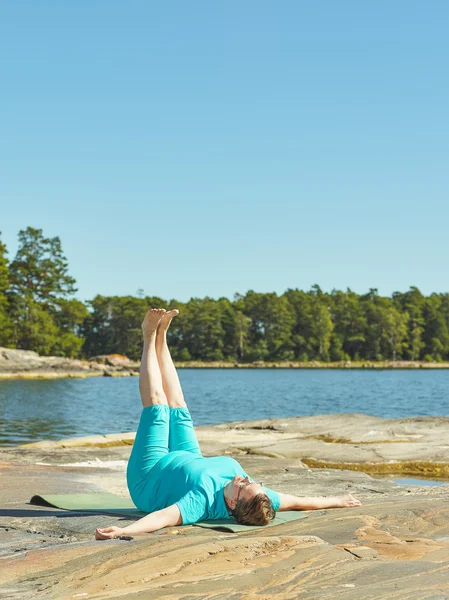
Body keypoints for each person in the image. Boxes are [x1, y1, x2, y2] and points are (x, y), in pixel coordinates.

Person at [96, 309, 361, 540]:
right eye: (253, 482)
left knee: (158, 407)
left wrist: (124, 531)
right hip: (189, 458)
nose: (246, 479)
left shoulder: (201, 502)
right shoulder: (258, 497)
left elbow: (162, 518)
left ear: (232, 502)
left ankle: (148, 335)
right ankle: (162, 334)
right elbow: (298, 501)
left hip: (150, 477)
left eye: (244, 486)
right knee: (178, 406)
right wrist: (337, 501)